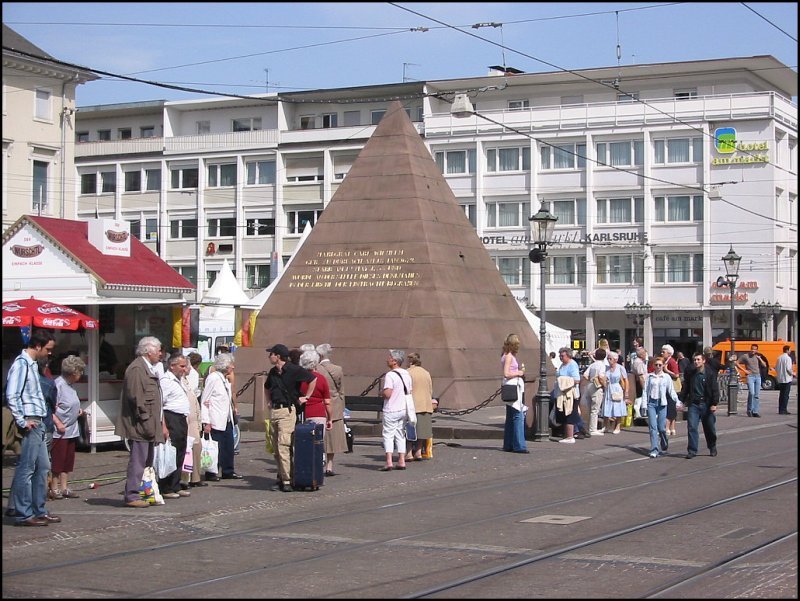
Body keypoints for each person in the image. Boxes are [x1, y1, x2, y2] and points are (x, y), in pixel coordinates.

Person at [5, 330, 61, 526]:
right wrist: (22, 420)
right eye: (48, 349)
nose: (49, 353)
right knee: (26, 468)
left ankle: (39, 509)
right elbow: (12, 394)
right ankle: (23, 513)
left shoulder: (33, 366)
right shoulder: (21, 365)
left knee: (43, 467)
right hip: (31, 421)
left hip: (38, 420)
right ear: (38, 346)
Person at [116, 336, 168, 508]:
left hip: (148, 424)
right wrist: (146, 422)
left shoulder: (148, 368)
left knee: (146, 462)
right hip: (140, 425)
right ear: (149, 351)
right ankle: (131, 495)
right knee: (138, 461)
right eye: (158, 350)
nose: (160, 353)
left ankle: (144, 492)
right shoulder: (137, 369)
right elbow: (136, 399)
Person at [264, 343, 316, 492]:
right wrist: (268, 400)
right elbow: (267, 387)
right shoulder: (273, 372)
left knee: (283, 445)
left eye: (271, 354)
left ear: (278, 356)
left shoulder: (294, 369)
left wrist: (306, 397)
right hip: (275, 411)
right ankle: (281, 476)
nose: (269, 357)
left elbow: (312, 379)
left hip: (287, 411)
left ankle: (287, 480)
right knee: (275, 448)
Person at [50, 355, 86, 500]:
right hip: (59, 430)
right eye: (80, 372)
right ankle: (54, 488)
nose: (81, 375)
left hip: (72, 429)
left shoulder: (71, 387)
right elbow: (50, 409)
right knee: (57, 460)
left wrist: (79, 412)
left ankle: (65, 487)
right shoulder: (57, 386)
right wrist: (58, 423)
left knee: (67, 460)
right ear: (73, 373)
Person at [200, 352, 241, 481]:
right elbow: (204, 399)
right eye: (231, 365)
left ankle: (228, 470)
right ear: (225, 366)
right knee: (215, 446)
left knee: (228, 446)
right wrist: (206, 420)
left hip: (226, 418)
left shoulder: (224, 379)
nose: (233, 367)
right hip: (215, 418)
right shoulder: (213, 378)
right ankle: (212, 471)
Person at [157, 352, 191, 498]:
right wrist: (163, 425)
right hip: (171, 417)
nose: (184, 369)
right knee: (171, 452)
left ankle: (176, 485)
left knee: (180, 451)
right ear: (172, 366)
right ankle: (166, 487)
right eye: (182, 366)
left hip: (181, 418)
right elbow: (160, 404)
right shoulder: (166, 380)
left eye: (185, 366)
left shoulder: (179, 380)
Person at [316, 343, 348, 476]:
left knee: (319, 436)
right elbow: (341, 390)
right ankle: (329, 465)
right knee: (332, 437)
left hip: (319, 404)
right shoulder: (337, 369)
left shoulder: (316, 369)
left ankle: (319, 462)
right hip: (334, 405)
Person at [680, 352, 720, 458]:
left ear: (703, 361)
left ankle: (712, 446)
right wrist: (681, 401)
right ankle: (692, 450)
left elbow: (714, 389)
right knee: (692, 427)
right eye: (695, 360)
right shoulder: (691, 373)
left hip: (707, 404)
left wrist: (714, 404)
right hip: (694, 404)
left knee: (709, 428)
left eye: (698, 360)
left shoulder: (710, 373)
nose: (696, 362)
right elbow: (686, 388)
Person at [380, 349, 412, 470]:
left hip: (391, 408)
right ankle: (401, 460)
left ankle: (389, 461)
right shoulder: (406, 374)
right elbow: (409, 390)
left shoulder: (390, 375)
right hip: (403, 408)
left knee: (388, 435)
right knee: (400, 434)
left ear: (394, 361)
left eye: (389, 357)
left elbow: (388, 393)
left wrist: (381, 392)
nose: (387, 359)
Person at [500, 334, 528, 454]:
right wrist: (519, 373)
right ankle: (519, 445)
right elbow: (506, 373)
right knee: (518, 415)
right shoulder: (509, 357)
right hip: (513, 386)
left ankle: (509, 444)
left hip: (509, 386)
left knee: (510, 417)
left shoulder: (504, 355)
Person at [643, 358, 676, 458]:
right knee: (653, 427)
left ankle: (664, 440)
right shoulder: (649, 377)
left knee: (661, 428)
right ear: (653, 366)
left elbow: (671, 391)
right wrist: (644, 405)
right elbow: (645, 391)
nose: (658, 367)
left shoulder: (666, 377)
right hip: (651, 403)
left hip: (662, 403)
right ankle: (654, 449)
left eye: (660, 365)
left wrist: (677, 401)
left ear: (663, 366)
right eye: (656, 365)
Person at [182, 352, 205, 489]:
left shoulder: (188, 378)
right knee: (189, 449)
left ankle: (194, 477)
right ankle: (187, 478)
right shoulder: (179, 380)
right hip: (187, 420)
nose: (188, 369)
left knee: (196, 447)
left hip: (193, 419)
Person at [405, 352, 434, 460]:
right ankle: (418, 452)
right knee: (422, 431)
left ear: (411, 361)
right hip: (425, 405)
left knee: (409, 430)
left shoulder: (407, 373)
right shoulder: (426, 372)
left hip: (412, 405)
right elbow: (430, 389)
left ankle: (408, 453)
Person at [298, 349, 333, 434]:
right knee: (317, 443)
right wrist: (330, 419)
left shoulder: (298, 378)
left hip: (301, 413)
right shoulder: (321, 378)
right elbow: (327, 402)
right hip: (318, 413)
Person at [553, 347, 581, 444]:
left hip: (570, 394)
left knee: (570, 414)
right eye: (560, 356)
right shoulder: (562, 365)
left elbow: (577, 379)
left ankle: (570, 436)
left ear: (568, 355)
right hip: (562, 394)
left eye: (562, 356)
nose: (561, 357)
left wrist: (563, 380)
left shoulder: (572, 365)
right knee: (564, 414)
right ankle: (567, 435)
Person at [580, 347, 607, 436]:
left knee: (589, 408)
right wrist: (604, 385)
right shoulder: (602, 365)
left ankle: (588, 427)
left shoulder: (593, 364)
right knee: (595, 409)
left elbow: (585, 375)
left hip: (589, 385)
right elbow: (601, 376)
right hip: (597, 387)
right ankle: (593, 429)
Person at [601, 351, 628, 434]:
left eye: (610, 359)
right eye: (608, 358)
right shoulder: (606, 368)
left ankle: (618, 426)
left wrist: (626, 391)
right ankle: (605, 426)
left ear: (615, 360)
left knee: (617, 407)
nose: (609, 360)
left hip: (617, 388)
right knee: (607, 406)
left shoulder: (620, 368)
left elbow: (625, 379)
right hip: (608, 388)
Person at [739, 344, 767, 417]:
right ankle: (749, 410)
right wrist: (745, 370)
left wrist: (760, 359)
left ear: (757, 350)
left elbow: (764, 365)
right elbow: (736, 363)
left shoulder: (758, 356)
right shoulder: (745, 356)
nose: (753, 350)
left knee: (756, 395)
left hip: (757, 376)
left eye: (754, 349)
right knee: (752, 393)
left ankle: (755, 411)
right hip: (750, 376)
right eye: (752, 349)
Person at [661, 345, 681, 436]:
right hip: (667, 387)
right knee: (671, 407)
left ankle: (668, 427)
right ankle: (672, 428)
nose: (662, 353)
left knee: (670, 406)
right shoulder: (665, 361)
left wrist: (666, 370)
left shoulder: (672, 361)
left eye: (663, 352)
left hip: (672, 387)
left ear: (669, 353)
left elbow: (676, 375)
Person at [775, 345, 794, 415]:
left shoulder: (779, 357)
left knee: (781, 394)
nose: (790, 351)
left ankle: (780, 409)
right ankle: (784, 409)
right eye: (790, 350)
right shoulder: (788, 358)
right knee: (786, 395)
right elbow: (788, 369)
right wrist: (793, 374)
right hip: (787, 378)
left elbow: (776, 368)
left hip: (780, 378)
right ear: (787, 350)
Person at [631, 347, 648, 419]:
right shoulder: (639, 362)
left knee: (640, 397)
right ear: (641, 355)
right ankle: (638, 412)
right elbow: (640, 375)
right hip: (640, 382)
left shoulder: (638, 361)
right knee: (640, 397)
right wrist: (644, 386)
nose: (645, 355)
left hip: (640, 381)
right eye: (644, 353)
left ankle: (639, 411)